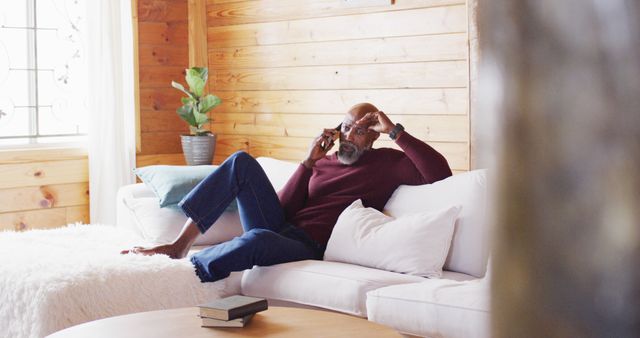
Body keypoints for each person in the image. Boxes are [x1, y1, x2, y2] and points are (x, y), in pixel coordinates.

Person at [121, 103, 452, 283]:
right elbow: (284, 209)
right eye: (347, 126)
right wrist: (308, 162)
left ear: (374, 136)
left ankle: (189, 274)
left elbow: (440, 172)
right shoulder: (323, 162)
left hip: (310, 244)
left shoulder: (389, 163)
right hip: (282, 226)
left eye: (362, 130)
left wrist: (394, 130)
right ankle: (179, 247)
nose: (350, 135)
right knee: (240, 162)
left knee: (258, 241)